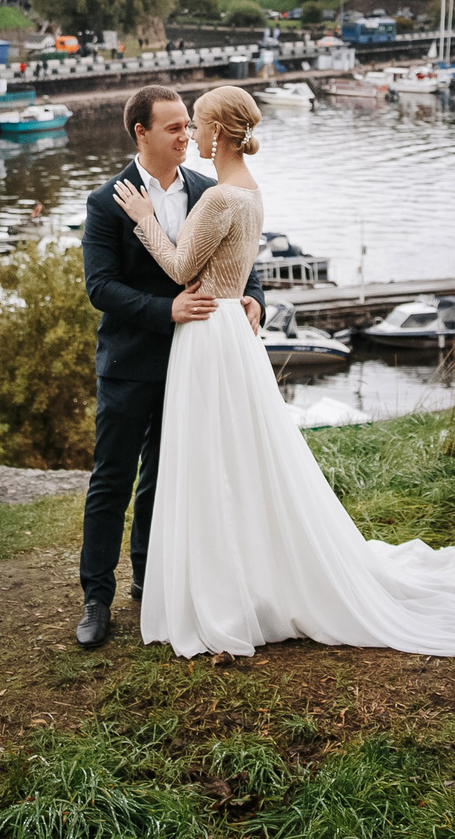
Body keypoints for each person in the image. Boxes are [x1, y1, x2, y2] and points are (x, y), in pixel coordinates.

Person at [113, 85, 455, 661]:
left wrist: (146, 219)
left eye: (196, 123)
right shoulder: (250, 191)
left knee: (213, 457)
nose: (191, 134)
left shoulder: (219, 198)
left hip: (209, 335)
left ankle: (224, 585)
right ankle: (242, 574)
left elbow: (178, 269)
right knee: (236, 457)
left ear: (218, 131)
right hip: (230, 337)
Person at [74, 84, 263, 650]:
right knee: (112, 480)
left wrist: (255, 299)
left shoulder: (210, 189)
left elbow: (241, 259)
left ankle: (149, 581)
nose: (187, 136)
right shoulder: (108, 200)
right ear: (142, 133)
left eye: (189, 125)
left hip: (197, 361)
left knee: (165, 479)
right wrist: (166, 310)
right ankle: (95, 598)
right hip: (131, 361)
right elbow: (100, 287)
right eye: (175, 128)